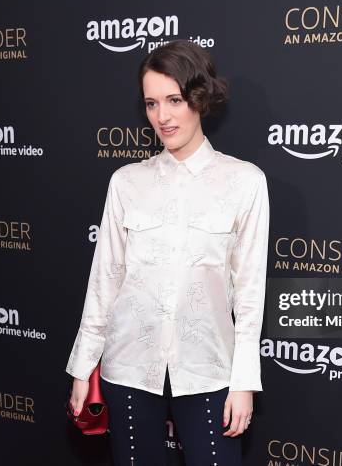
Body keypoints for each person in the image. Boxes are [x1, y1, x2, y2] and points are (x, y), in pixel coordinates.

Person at [66, 39, 270, 466]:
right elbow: (105, 279)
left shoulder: (244, 182)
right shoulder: (126, 182)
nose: (162, 116)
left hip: (209, 371)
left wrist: (244, 382)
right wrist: (83, 367)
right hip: (129, 369)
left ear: (198, 98)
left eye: (174, 100)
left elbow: (249, 293)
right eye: (151, 103)